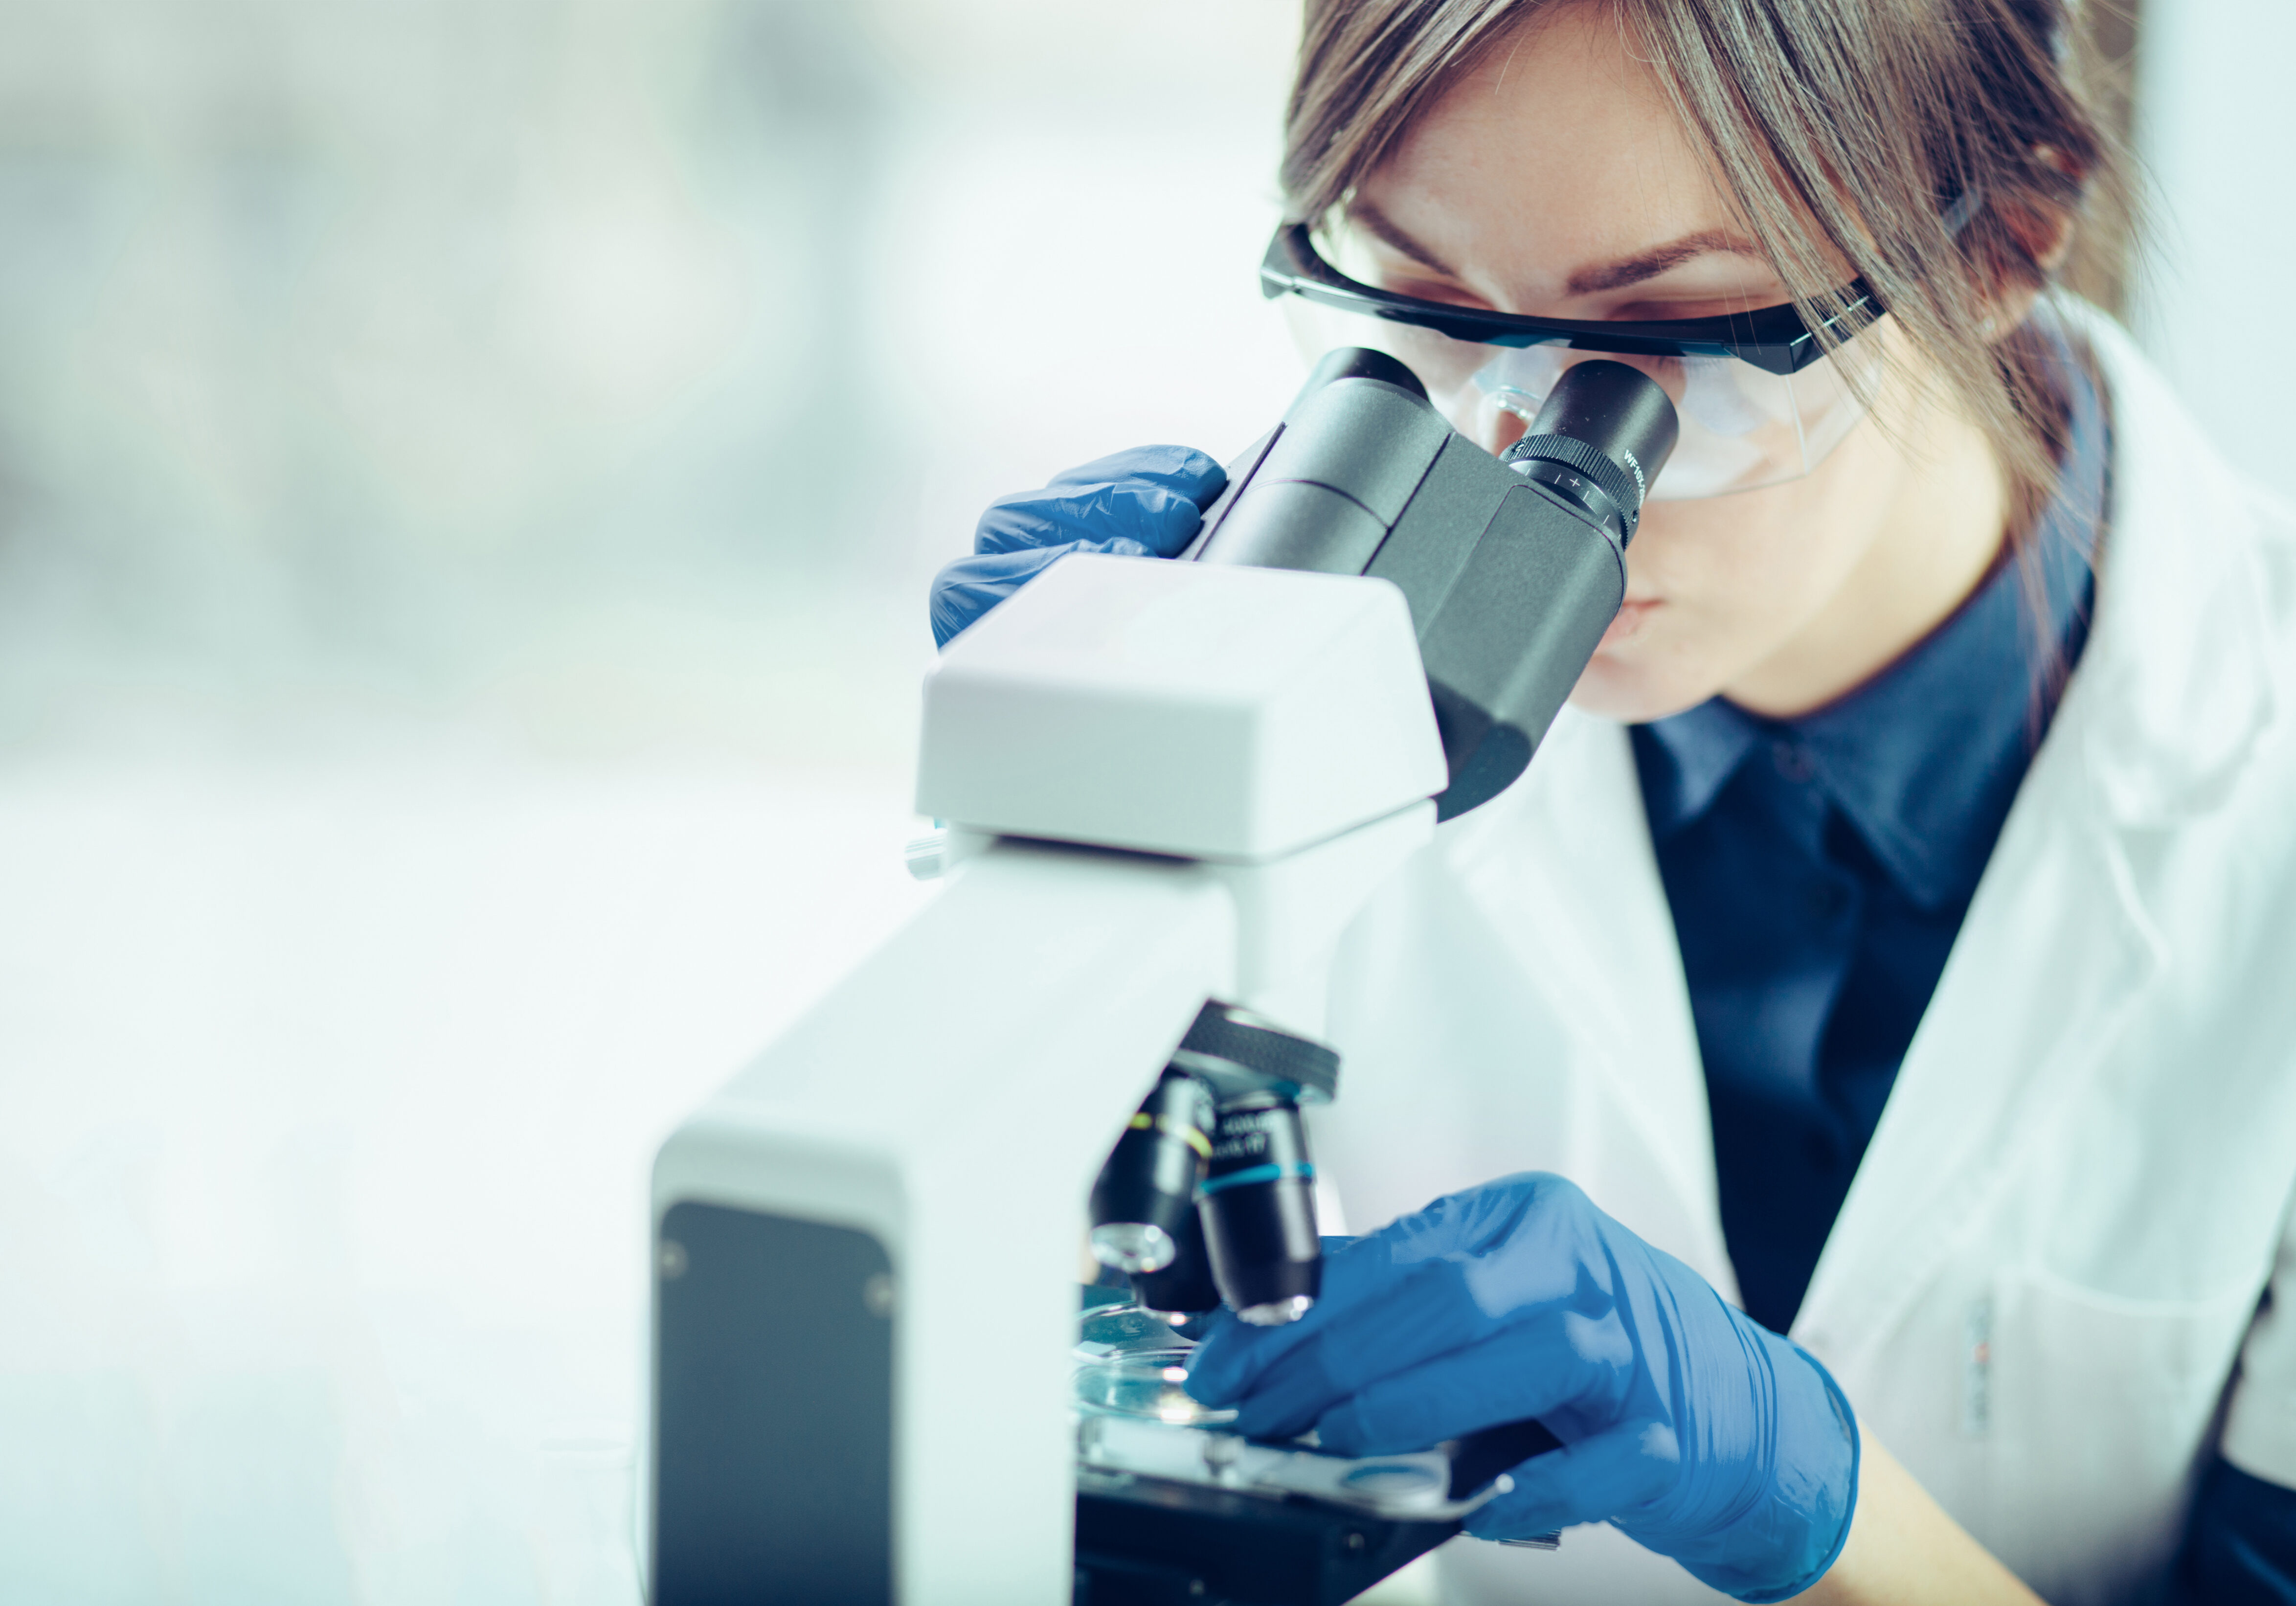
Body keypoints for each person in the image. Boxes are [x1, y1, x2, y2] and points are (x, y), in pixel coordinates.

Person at [930, 2, 2296, 1601]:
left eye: (1671, 343)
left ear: (2002, 240)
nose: (1514, 455)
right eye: (1422, 301)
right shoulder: (1314, 660)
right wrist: (1062, 859)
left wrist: (1830, 1512)